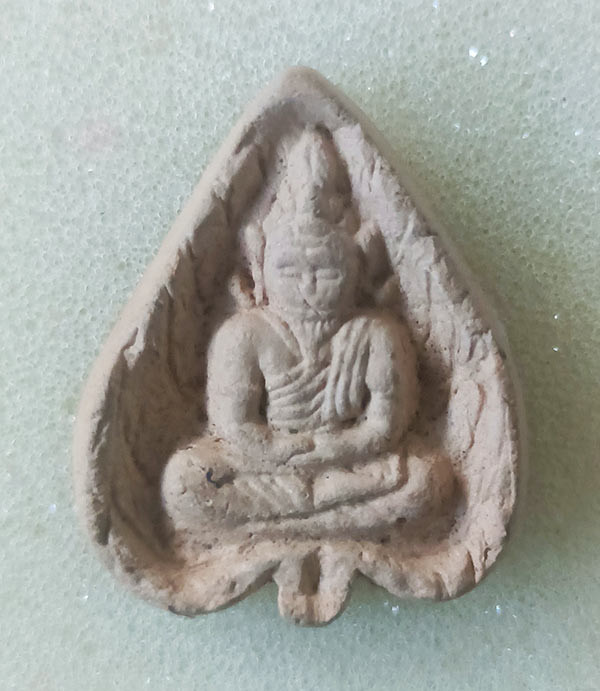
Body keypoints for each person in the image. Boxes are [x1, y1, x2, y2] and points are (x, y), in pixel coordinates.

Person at [161, 130, 452, 530]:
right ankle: (333, 519)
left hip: (348, 462)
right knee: (185, 480)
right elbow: (234, 426)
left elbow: (385, 426)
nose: (307, 285)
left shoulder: (376, 334)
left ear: (360, 270)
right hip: (268, 464)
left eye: (326, 271)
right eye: (289, 271)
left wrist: (332, 449)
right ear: (260, 271)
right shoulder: (244, 333)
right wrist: (287, 450)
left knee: (427, 478)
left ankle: (287, 522)